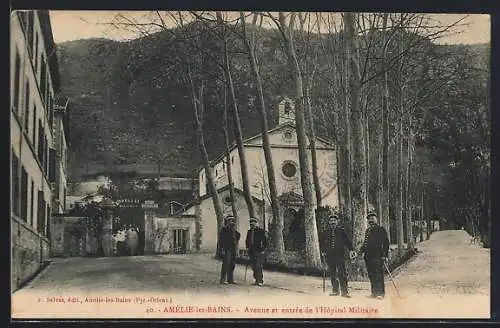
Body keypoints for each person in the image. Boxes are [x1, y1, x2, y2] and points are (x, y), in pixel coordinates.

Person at [321, 213, 356, 298]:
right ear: (329, 222)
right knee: (332, 273)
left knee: (342, 273)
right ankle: (335, 290)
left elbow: (347, 241)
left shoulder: (341, 231)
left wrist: (351, 249)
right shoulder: (326, 232)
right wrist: (323, 251)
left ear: (337, 222)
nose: (333, 222)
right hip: (330, 256)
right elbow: (322, 243)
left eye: (334, 221)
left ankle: (345, 292)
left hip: (340, 256)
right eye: (331, 220)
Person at [359, 212, 390, 299]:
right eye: (369, 219)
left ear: (376, 219)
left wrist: (384, 255)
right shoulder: (367, 231)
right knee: (371, 274)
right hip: (368, 256)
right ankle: (374, 292)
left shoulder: (381, 229)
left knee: (378, 274)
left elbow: (386, 243)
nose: (371, 220)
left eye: (373, 218)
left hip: (378, 256)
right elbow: (365, 244)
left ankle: (380, 293)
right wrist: (361, 251)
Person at [245, 217, 268, 286]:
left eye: (253, 223)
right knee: (253, 266)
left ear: (256, 223)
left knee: (258, 266)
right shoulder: (249, 231)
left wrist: (263, 249)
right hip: (251, 251)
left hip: (259, 251)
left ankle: (260, 280)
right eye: (251, 223)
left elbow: (265, 241)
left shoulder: (261, 231)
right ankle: (256, 280)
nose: (252, 225)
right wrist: (247, 247)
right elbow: (247, 240)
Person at [219, 216, 241, 284]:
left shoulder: (233, 230)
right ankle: (223, 279)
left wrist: (234, 233)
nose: (231, 222)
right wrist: (221, 249)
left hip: (233, 249)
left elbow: (238, 235)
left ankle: (230, 279)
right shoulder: (224, 230)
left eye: (232, 221)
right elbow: (220, 240)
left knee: (232, 264)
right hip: (226, 249)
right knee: (226, 264)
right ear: (227, 222)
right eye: (230, 221)